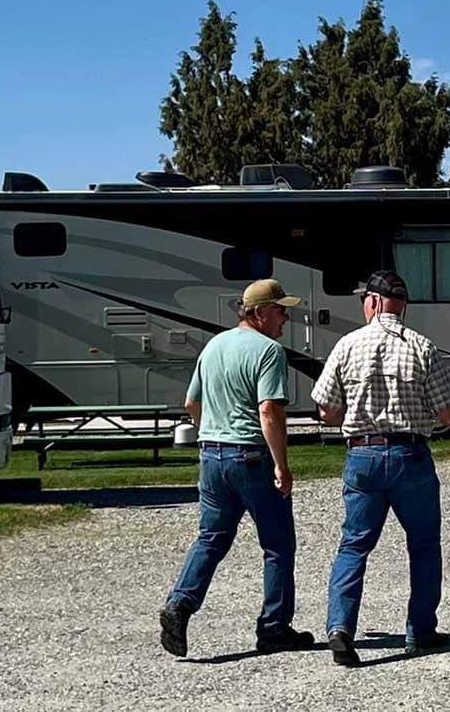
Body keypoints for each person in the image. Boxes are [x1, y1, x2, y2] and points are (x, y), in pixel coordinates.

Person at [311, 268, 450, 667]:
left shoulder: (347, 345)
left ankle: (340, 628)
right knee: (422, 545)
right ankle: (420, 630)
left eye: (364, 300)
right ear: (402, 305)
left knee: (354, 545)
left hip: (362, 454)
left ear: (374, 301)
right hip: (409, 455)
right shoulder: (421, 347)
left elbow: (326, 411)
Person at [158, 279, 320, 658]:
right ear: (260, 312)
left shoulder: (214, 345)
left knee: (211, 538)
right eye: (281, 310)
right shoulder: (268, 351)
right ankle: (274, 627)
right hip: (250, 456)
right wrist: (282, 465)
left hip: (211, 455)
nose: (286, 317)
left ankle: (180, 604)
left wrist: (213, 431)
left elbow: (191, 402)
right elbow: (269, 410)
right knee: (278, 545)